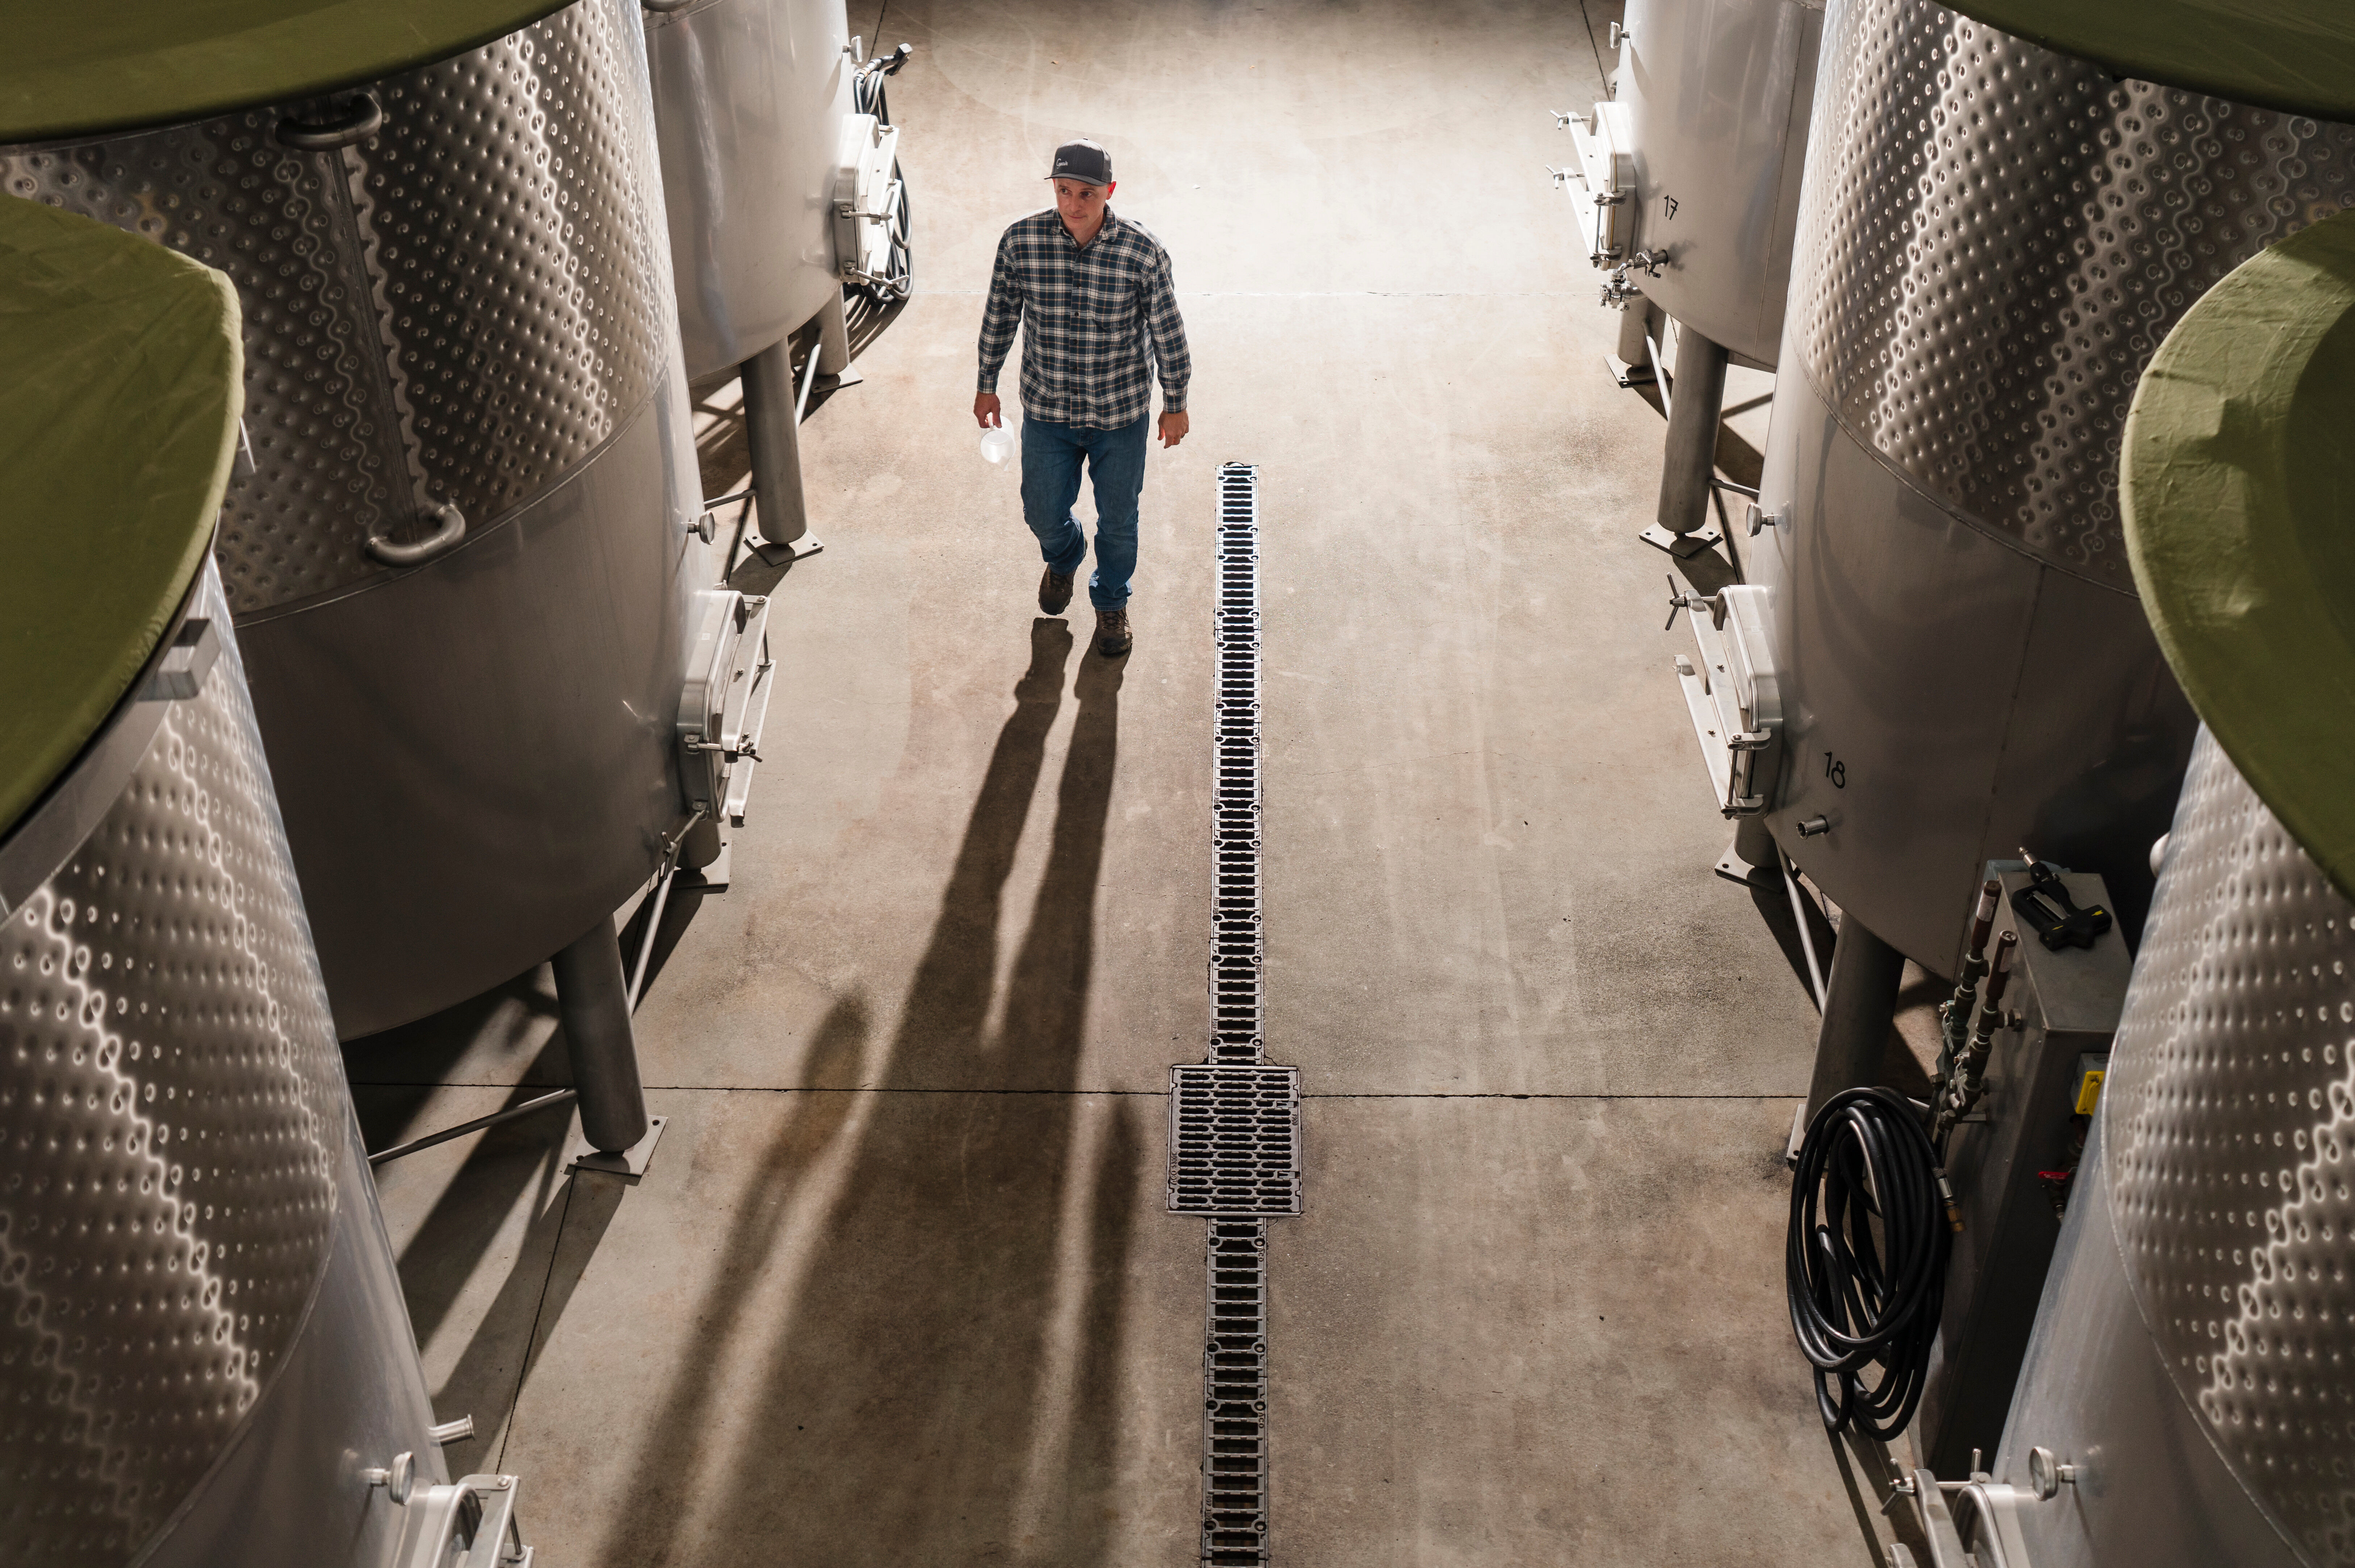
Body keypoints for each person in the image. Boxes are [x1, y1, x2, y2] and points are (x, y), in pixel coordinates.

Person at [975, 138, 1191, 658]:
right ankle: (1065, 553)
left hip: (1119, 415)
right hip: (1049, 410)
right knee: (1042, 510)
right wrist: (987, 382)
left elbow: (1169, 333)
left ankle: (1111, 600)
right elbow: (1000, 315)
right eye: (1063, 190)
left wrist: (1175, 401)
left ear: (1109, 192)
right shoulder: (1021, 242)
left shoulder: (1143, 253)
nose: (1073, 204)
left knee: (1119, 520)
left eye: (1087, 194)